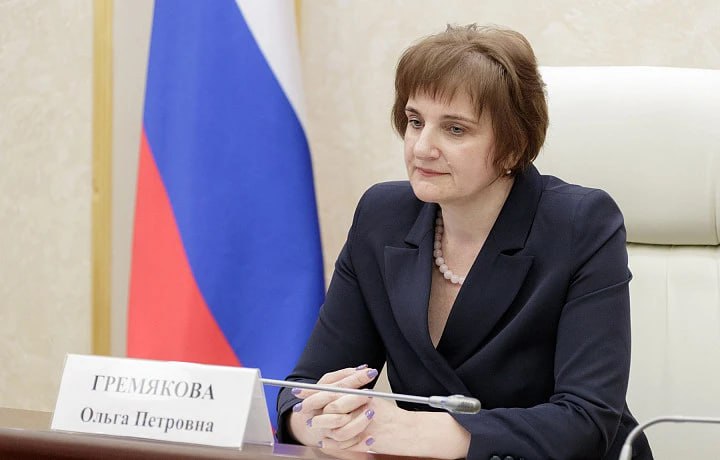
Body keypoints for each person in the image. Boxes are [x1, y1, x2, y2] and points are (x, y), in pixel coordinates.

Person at [276, 24, 653, 460]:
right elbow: (301, 389)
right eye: (415, 121)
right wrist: (317, 420)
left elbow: (586, 421)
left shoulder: (579, 223)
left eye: (455, 129)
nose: (421, 147)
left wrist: (415, 431)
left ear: (513, 146)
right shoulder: (381, 217)